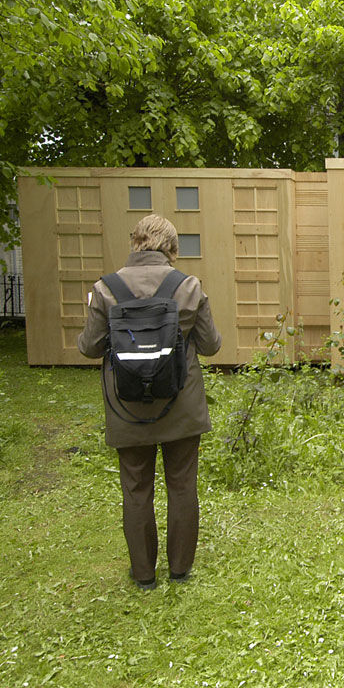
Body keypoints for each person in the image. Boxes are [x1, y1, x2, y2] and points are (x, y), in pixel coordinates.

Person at [77, 214, 222, 590]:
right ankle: (180, 570)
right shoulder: (188, 286)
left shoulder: (105, 289)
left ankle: (143, 574)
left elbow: (89, 348)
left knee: (136, 488)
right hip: (181, 405)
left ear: (134, 242)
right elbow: (211, 345)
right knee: (182, 484)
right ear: (173, 248)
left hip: (127, 408)